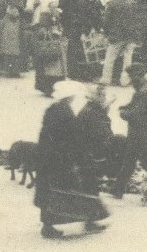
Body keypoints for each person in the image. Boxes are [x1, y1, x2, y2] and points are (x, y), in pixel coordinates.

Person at [34, 80, 109, 239]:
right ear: (70, 97)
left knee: (52, 192)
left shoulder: (53, 109)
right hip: (62, 159)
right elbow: (73, 138)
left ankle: (50, 226)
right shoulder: (65, 112)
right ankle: (90, 220)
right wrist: (80, 158)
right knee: (80, 189)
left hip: (49, 157)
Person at [112, 63, 147, 197]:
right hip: (144, 132)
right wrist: (125, 107)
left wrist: (122, 113)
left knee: (136, 162)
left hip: (140, 133)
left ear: (138, 76)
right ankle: (118, 189)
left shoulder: (144, 92)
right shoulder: (146, 88)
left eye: (131, 76)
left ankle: (118, 189)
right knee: (138, 161)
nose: (130, 80)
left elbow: (135, 114)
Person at [99, 0, 146, 87]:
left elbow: (106, 22)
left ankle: (106, 80)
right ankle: (125, 81)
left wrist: (106, 33)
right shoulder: (130, 5)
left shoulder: (111, 4)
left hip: (116, 37)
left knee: (110, 59)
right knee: (127, 59)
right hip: (130, 37)